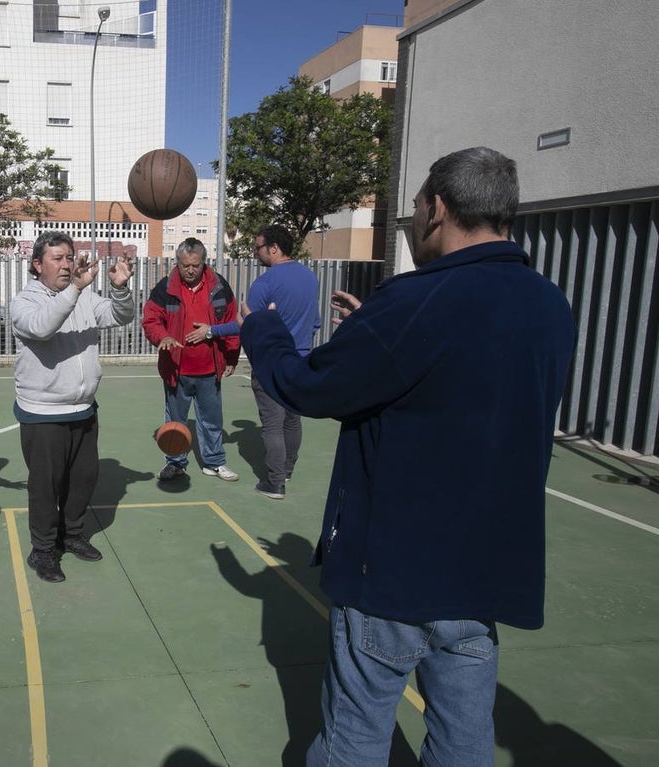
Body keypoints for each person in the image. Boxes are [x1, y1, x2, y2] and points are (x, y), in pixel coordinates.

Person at [241, 147, 577, 765]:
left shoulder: (420, 298)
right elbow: (462, 379)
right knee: (463, 740)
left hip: (395, 575)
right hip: (483, 579)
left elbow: (310, 387)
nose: (415, 215)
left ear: (438, 208)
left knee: (354, 741)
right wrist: (377, 332)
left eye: (417, 204)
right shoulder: (548, 305)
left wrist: (261, 331)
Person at [11, 231, 135, 583]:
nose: (67, 264)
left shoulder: (84, 296)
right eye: (57, 258)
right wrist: (75, 290)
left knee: (83, 478)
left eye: (69, 256)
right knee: (46, 486)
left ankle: (73, 534)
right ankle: (43, 549)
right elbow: (43, 327)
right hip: (42, 412)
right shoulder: (25, 302)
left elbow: (119, 316)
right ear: (38, 265)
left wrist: (121, 289)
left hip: (83, 408)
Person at [142, 237, 240, 483]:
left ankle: (214, 462)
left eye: (195, 265)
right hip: (177, 369)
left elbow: (232, 322)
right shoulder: (166, 288)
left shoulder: (219, 287)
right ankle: (175, 463)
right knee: (175, 422)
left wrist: (231, 354)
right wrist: (162, 336)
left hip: (209, 368)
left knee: (212, 420)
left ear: (203, 263)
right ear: (177, 262)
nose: (190, 270)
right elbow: (151, 319)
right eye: (185, 265)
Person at [243, 225, 319, 499]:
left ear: (273, 247)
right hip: (301, 361)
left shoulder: (265, 283)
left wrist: (212, 330)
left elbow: (249, 325)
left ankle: (275, 483)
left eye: (258, 248)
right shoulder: (310, 278)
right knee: (292, 420)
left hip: (271, 363)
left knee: (273, 424)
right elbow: (316, 322)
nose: (256, 253)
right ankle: (287, 470)